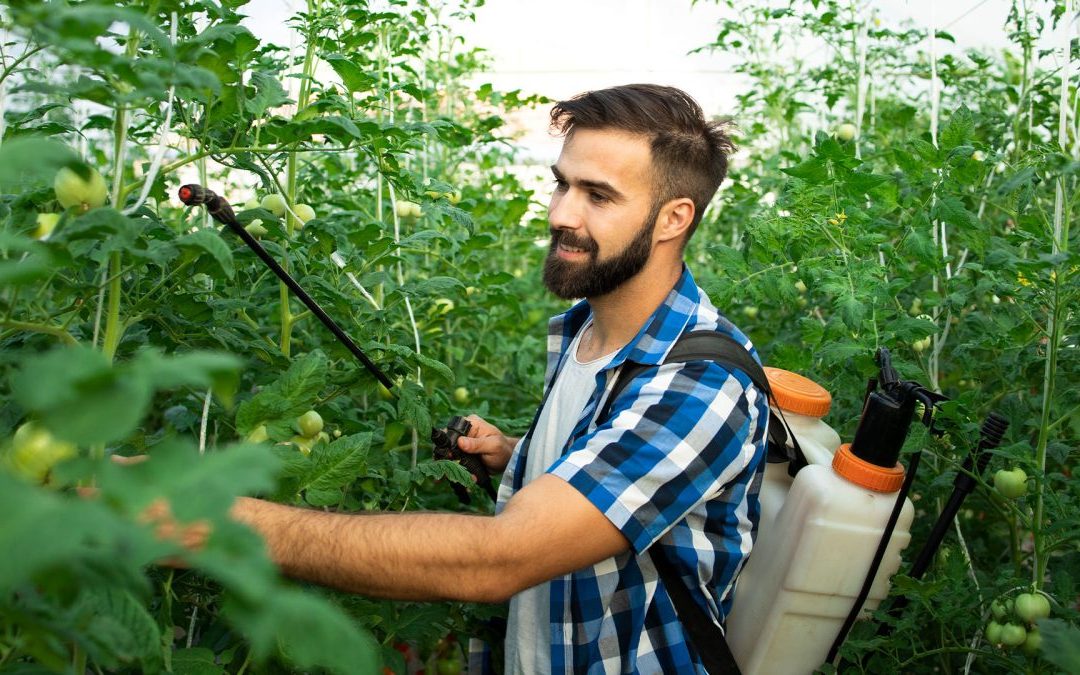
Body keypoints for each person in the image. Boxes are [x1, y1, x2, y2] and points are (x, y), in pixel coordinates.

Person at [231, 83, 769, 674]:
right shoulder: (585, 330)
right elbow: (615, 469)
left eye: (599, 196)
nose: (560, 214)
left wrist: (216, 522)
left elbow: (495, 562)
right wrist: (518, 456)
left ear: (673, 218)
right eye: (562, 183)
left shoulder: (701, 383)